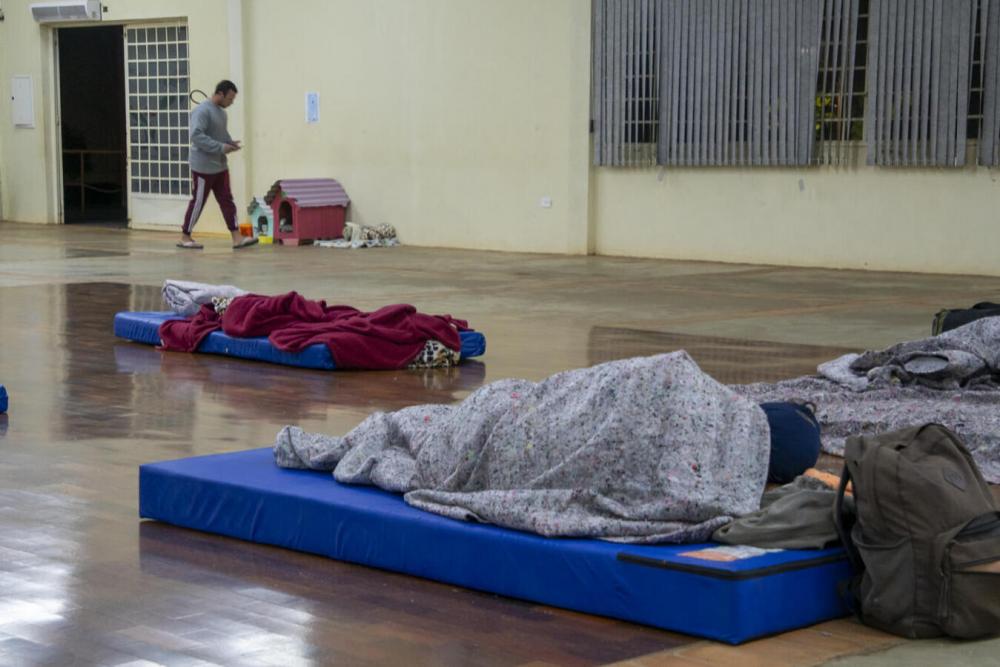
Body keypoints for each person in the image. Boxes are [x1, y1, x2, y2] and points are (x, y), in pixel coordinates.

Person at [177, 80, 258, 250]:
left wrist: (229, 142)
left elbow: (220, 133)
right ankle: (185, 236)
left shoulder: (222, 113)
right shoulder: (202, 111)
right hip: (203, 167)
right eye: (230, 99)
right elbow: (197, 136)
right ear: (220, 94)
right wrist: (221, 147)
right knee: (198, 201)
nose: (231, 103)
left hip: (220, 166)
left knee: (227, 200)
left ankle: (237, 238)